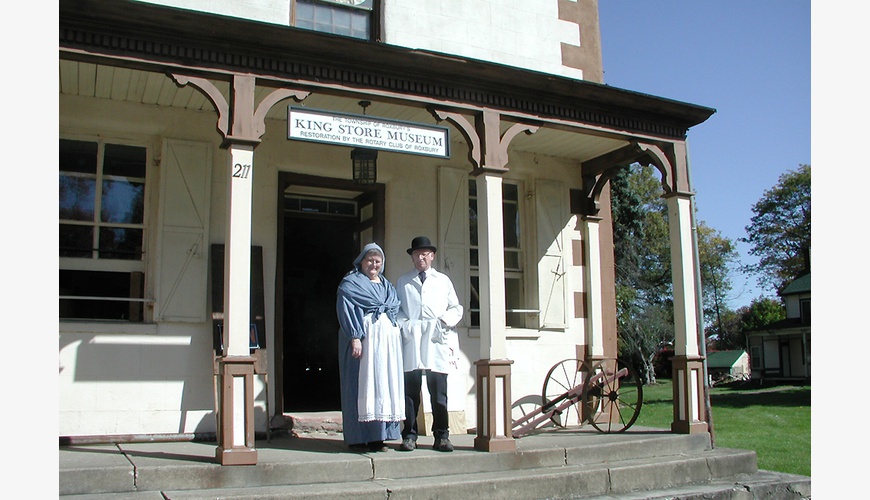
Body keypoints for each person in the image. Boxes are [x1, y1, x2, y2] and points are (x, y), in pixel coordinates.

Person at [395, 236, 463, 452]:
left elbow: (456, 308)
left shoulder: (443, 280)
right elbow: (397, 309)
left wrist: (443, 321)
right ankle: (409, 435)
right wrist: (405, 325)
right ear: (412, 257)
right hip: (413, 339)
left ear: (432, 256)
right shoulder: (404, 281)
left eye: (424, 254)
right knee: (411, 391)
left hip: (436, 340)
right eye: (416, 255)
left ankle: (442, 436)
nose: (420, 258)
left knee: (438, 390)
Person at [336, 243, 405, 452]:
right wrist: (355, 337)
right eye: (370, 260)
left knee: (382, 386)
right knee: (360, 385)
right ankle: (358, 438)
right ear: (362, 262)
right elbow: (346, 309)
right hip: (364, 343)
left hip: (384, 347)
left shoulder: (387, 285)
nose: (374, 265)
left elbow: (394, 308)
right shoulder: (351, 283)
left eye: (378, 261)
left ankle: (378, 438)